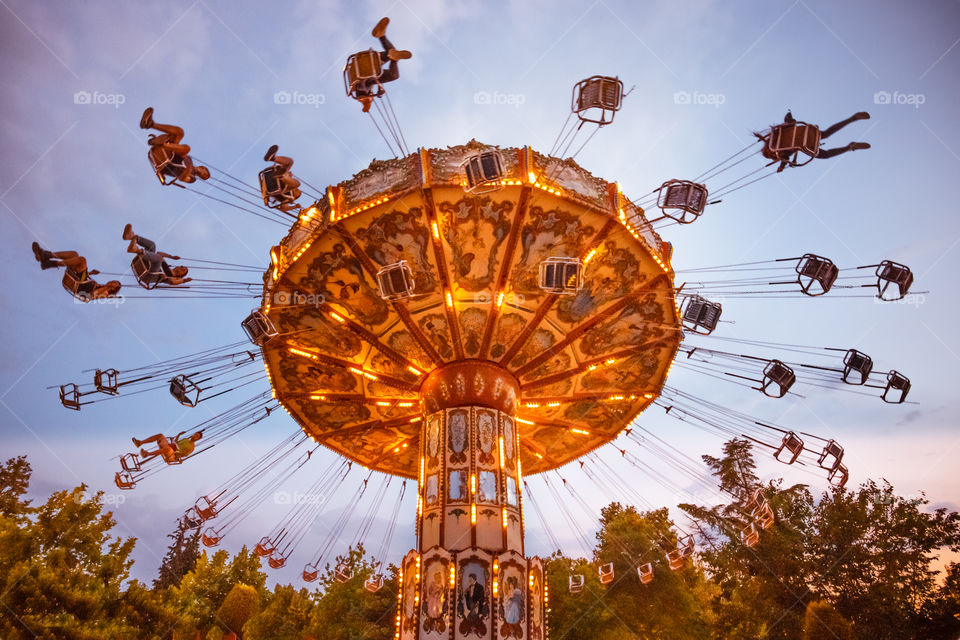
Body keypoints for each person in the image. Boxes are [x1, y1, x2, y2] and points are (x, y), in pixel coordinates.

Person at [759, 110, 871, 172]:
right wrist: (789, 118)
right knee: (826, 133)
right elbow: (788, 122)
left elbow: (784, 159)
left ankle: (849, 147)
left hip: (806, 144)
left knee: (826, 154)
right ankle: (853, 118)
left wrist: (781, 167)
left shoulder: (780, 151)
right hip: (807, 131)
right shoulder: (779, 136)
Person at [352, 17, 412, 113]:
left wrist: (370, 101)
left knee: (394, 75)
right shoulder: (363, 87)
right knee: (391, 53)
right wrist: (377, 90)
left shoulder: (362, 88)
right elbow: (368, 90)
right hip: (369, 65)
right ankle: (381, 36)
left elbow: (364, 89)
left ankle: (391, 53)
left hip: (368, 72)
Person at [140, 107, 211, 183]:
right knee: (179, 133)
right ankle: (150, 124)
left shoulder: (192, 178)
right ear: (203, 167)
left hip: (164, 163)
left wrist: (189, 167)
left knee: (187, 149)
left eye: (204, 175)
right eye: (205, 172)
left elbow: (183, 178)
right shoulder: (188, 160)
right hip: (165, 153)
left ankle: (162, 144)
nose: (204, 174)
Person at [31, 242, 122, 300]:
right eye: (114, 280)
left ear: (114, 288)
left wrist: (107, 287)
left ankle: (50, 264)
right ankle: (46, 255)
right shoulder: (102, 285)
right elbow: (87, 279)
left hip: (81, 286)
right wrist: (90, 273)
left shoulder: (105, 293)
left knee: (82, 260)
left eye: (114, 283)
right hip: (82, 280)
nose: (112, 281)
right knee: (74, 254)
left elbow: (91, 295)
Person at [123, 224, 192, 286]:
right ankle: (132, 237)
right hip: (145, 265)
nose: (181, 267)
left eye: (183, 270)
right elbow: (159, 254)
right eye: (182, 266)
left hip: (148, 276)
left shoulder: (171, 277)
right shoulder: (165, 265)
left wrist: (184, 281)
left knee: (158, 259)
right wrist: (171, 257)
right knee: (152, 246)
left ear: (181, 275)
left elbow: (173, 283)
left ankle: (136, 250)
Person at [262, 144, 302, 212]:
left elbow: (284, 208)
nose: (296, 189)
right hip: (273, 176)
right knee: (290, 161)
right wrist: (289, 176)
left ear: (295, 197)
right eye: (297, 190)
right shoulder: (288, 187)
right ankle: (273, 158)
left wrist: (294, 206)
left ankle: (282, 176)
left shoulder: (286, 198)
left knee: (297, 183)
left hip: (275, 183)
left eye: (296, 191)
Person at [132, 430, 202, 464]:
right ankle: (140, 443)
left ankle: (147, 454)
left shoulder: (191, 448)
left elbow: (182, 456)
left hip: (173, 456)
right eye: (195, 434)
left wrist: (176, 455)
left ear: (198, 439)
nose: (194, 436)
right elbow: (176, 442)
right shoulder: (186, 439)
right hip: (170, 447)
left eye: (196, 436)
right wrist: (179, 435)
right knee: (160, 435)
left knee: (169, 449)